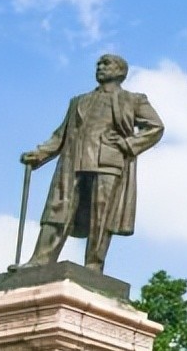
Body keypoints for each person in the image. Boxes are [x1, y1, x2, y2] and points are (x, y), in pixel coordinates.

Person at [20, 54, 164, 273]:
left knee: (102, 216)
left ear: (120, 71)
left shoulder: (133, 100)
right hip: (73, 161)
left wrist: (127, 143)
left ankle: (93, 265)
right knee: (58, 209)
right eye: (98, 64)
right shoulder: (79, 101)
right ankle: (41, 260)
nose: (100, 67)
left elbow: (155, 127)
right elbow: (61, 135)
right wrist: (39, 154)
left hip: (107, 162)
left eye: (106, 64)